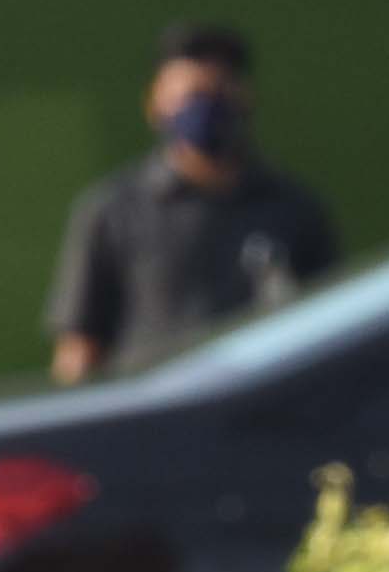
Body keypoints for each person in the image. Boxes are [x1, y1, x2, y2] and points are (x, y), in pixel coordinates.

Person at [42, 20, 338, 378]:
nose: (205, 107)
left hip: (261, 416)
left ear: (243, 96)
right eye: (190, 95)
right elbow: (80, 347)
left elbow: (329, 333)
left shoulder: (293, 208)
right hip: (153, 418)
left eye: (218, 93)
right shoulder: (113, 209)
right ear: (156, 101)